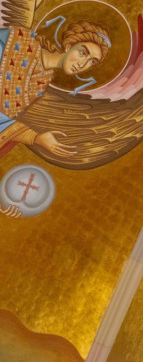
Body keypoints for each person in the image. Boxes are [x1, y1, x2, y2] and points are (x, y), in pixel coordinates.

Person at [0, 20, 110, 218]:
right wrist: (34, 136)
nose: (82, 64)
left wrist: (37, 138)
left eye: (92, 62)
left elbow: (3, 120)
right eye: (82, 53)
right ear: (68, 46)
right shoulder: (15, 41)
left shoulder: (41, 81)